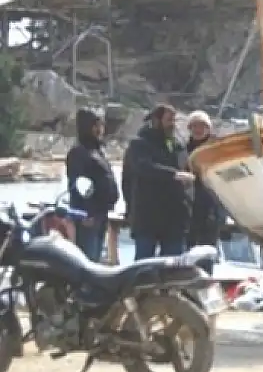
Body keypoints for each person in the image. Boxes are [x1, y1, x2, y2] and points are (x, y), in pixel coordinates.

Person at [122, 104, 194, 260]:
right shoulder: (139, 144)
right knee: (144, 267)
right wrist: (174, 175)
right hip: (147, 217)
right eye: (169, 120)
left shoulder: (178, 145)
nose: (173, 124)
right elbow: (143, 168)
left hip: (175, 219)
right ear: (156, 120)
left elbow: (187, 172)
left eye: (174, 120)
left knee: (174, 268)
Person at [65, 108, 120, 262]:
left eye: (101, 125)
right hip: (87, 215)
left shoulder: (97, 150)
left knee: (96, 259)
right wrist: (85, 212)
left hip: (102, 212)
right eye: (95, 125)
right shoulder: (78, 152)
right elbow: (77, 185)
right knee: (87, 259)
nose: (100, 130)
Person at [185, 110, 223, 274]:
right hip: (189, 207)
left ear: (208, 128)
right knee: (189, 252)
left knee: (207, 252)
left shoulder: (217, 149)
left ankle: (206, 284)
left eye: (202, 126)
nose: (198, 129)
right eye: (194, 126)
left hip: (212, 205)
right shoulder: (183, 149)